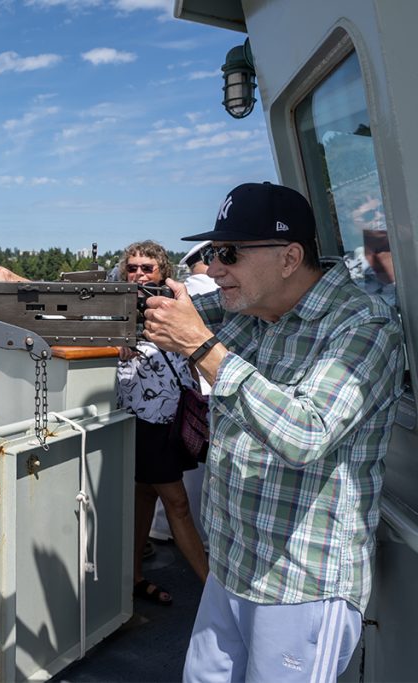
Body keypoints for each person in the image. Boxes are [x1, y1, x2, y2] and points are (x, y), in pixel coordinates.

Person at [142, 182, 404, 682]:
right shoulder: (251, 311)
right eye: (214, 252)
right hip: (233, 565)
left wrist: (203, 349)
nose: (214, 267)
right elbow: (147, 311)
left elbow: (305, 435)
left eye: (229, 253)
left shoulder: (364, 327)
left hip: (300, 583)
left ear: (289, 258)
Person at [115, 240, 210, 606]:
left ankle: (133, 577)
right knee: (178, 503)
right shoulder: (115, 309)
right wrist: (114, 344)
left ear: (163, 272)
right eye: (133, 267)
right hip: (143, 421)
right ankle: (211, 588)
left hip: (171, 419)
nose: (139, 274)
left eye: (147, 268)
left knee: (145, 494)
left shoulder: (175, 308)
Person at [150, 241, 217, 546]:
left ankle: (163, 531)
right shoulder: (206, 293)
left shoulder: (186, 293)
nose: (219, 268)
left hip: (174, 408)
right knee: (195, 476)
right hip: (195, 402)